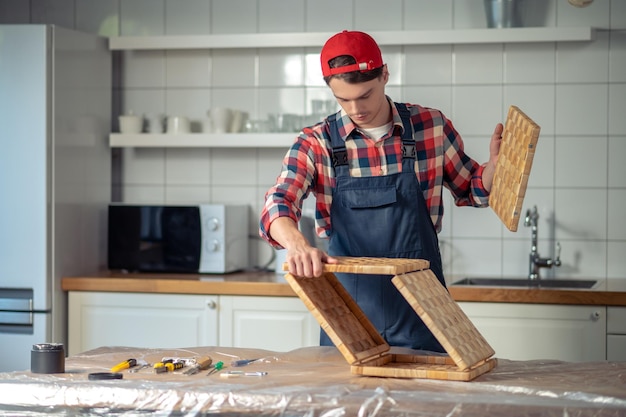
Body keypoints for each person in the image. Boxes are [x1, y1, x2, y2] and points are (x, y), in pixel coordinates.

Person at [259, 30, 502, 352]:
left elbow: (469, 187)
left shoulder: (431, 126)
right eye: (343, 99)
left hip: (424, 311)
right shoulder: (315, 143)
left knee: (424, 402)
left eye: (365, 95)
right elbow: (277, 203)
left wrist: (495, 172)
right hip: (348, 317)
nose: (356, 109)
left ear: (385, 74)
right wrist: (298, 245)